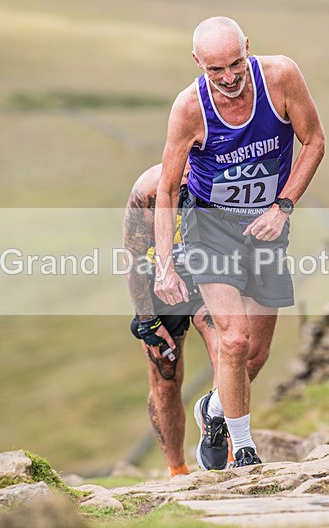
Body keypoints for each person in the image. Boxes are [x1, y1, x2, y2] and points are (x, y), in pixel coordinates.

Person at [154, 16, 325, 468]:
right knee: (233, 340)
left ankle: (213, 409)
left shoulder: (281, 77)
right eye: (216, 69)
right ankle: (244, 452)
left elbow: (314, 141)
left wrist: (282, 206)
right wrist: (165, 265)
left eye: (236, 64)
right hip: (210, 226)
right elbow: (168, 189)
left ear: (247, 47)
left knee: (254, 355)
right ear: (197, 62)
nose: (229, 78)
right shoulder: (189, 108)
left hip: (266, 225)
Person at [123, 163, 218, 478]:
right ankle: (177, 471)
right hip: (161, 284)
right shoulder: (148, 189)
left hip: (211, 277)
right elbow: (133, 257)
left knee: (227, 355)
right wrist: (147, 321)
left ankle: (227, 452)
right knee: (165, 382)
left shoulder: (221, 174)